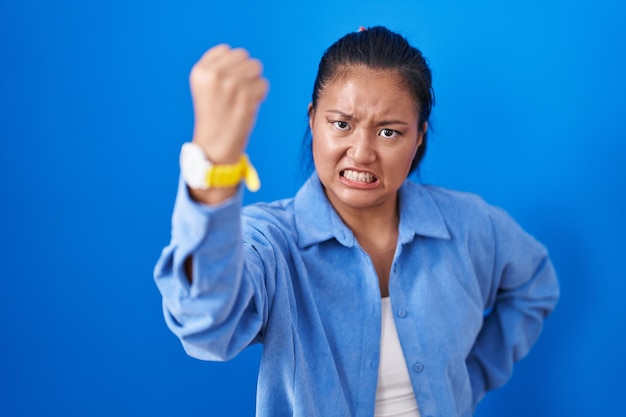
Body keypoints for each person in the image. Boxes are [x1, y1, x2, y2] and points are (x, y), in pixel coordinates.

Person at [154, 26, 559, 417]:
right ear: (312, 119)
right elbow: (206, 329)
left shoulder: (469, 224)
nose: (362, 153)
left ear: (418, 136)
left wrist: (467, 381)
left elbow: (534, 284)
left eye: (388, 132)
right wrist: (213, 171)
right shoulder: (271, 242)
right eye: (341, 124)